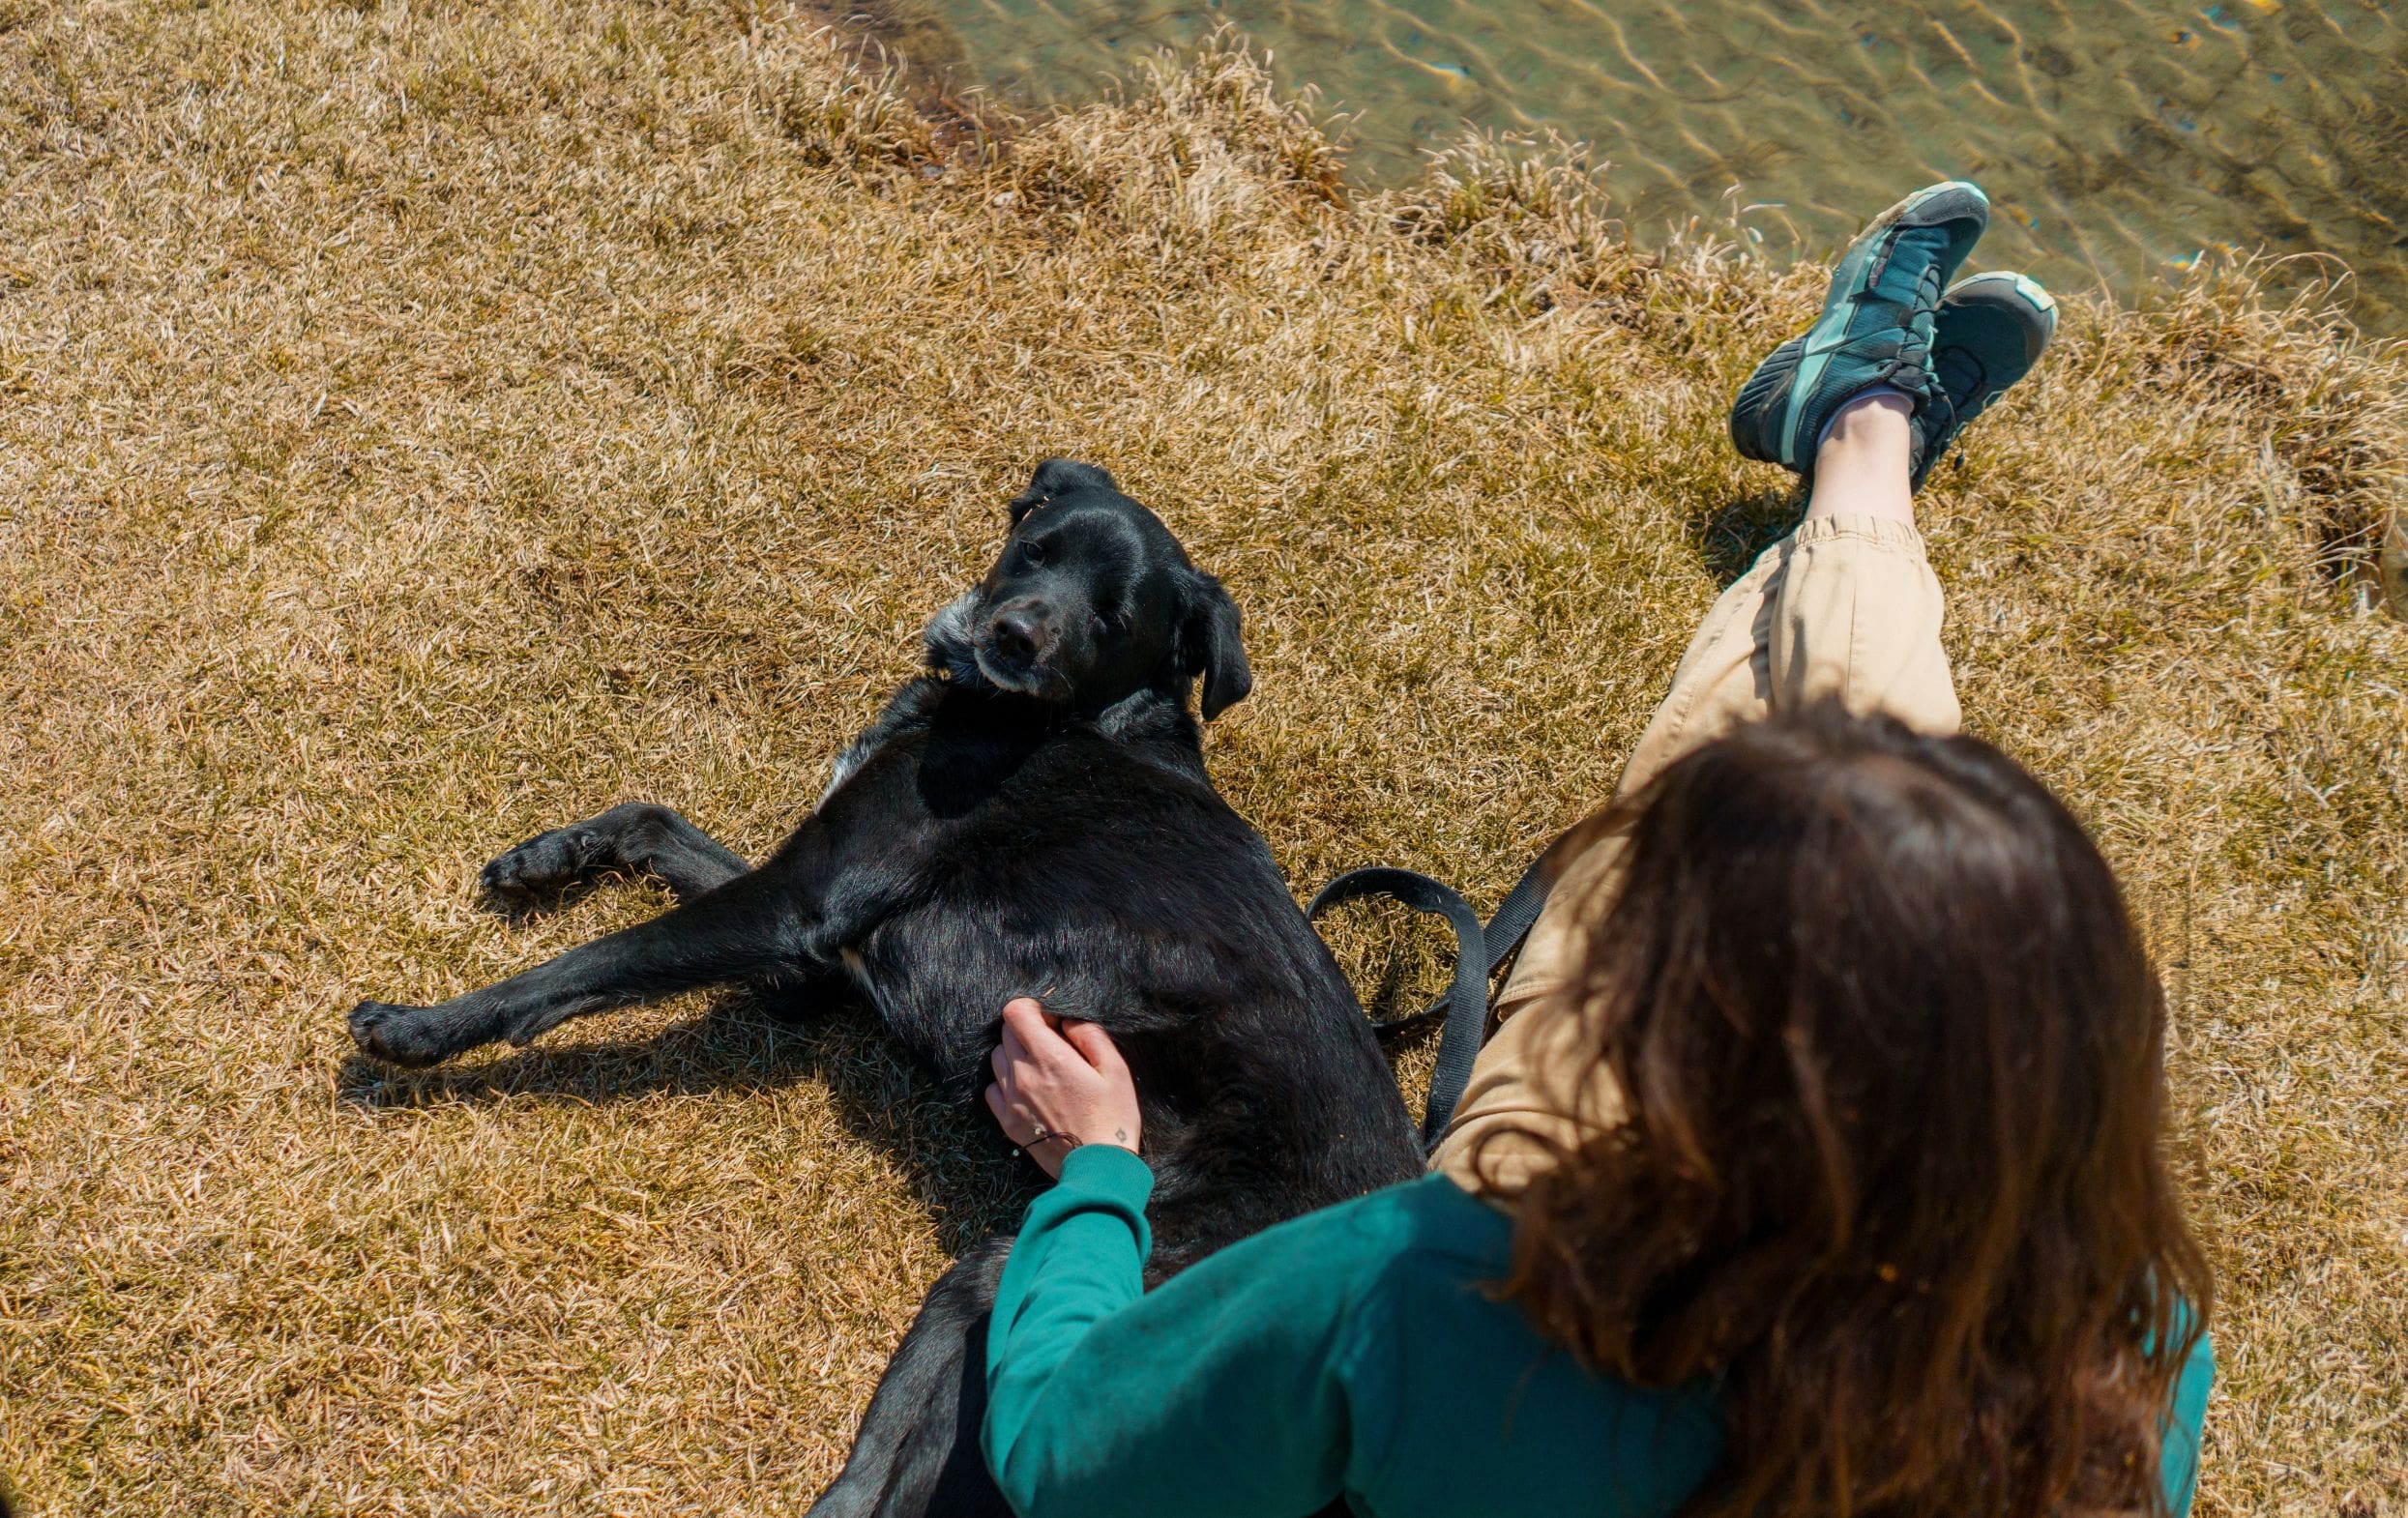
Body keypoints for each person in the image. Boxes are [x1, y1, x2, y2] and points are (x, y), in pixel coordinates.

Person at [975, 182, 2216, 1518]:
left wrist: (1103, 1171)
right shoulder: (2126, 1348)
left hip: (1566, 1247)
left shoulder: (1451, 1287)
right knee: (1861, 827)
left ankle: (1859, 439)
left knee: (1799, 788)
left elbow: (1065, 1456)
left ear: (1670, 1051)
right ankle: (1863, 445)